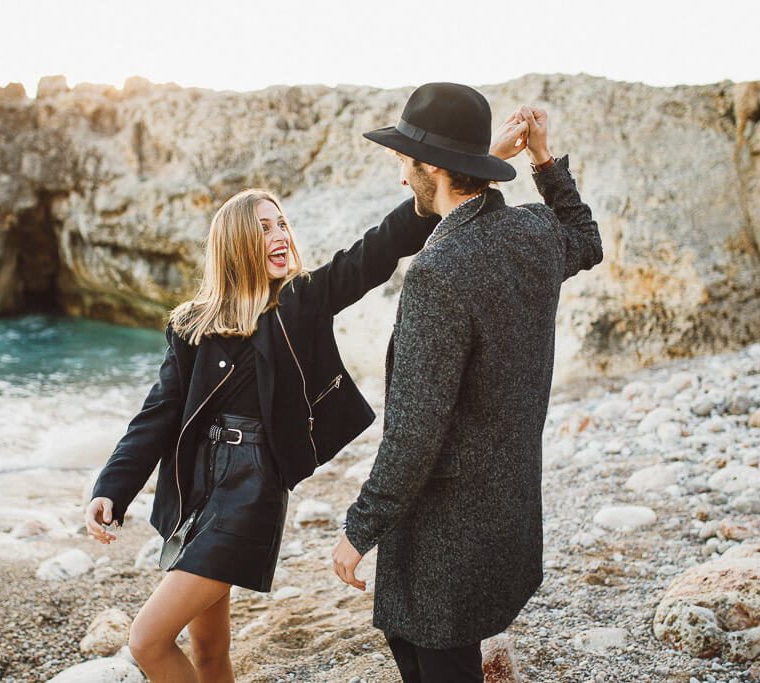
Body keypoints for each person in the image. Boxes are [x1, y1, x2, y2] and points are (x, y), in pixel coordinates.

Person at [82, 111, 529, 682]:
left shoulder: (299, 302)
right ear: (236, 244)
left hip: (250, 491)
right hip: (195, 489)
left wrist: (472, 164)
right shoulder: (192, 324)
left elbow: (381, 245)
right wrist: (112, 487)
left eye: (281, 224)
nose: (280, 236)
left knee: (147, 641)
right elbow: (158, 414)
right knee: (210, 651)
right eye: (263, 228)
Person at [331, 82, 603, 682]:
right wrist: (543, 160)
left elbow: (415, 431)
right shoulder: (533, 232)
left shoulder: (438, 272)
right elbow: (586, 238)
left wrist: (360, 528)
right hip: (505, 508)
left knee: (435, 659)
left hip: (443, 528)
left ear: (432, 167)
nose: (401, 176)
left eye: (405, 161)